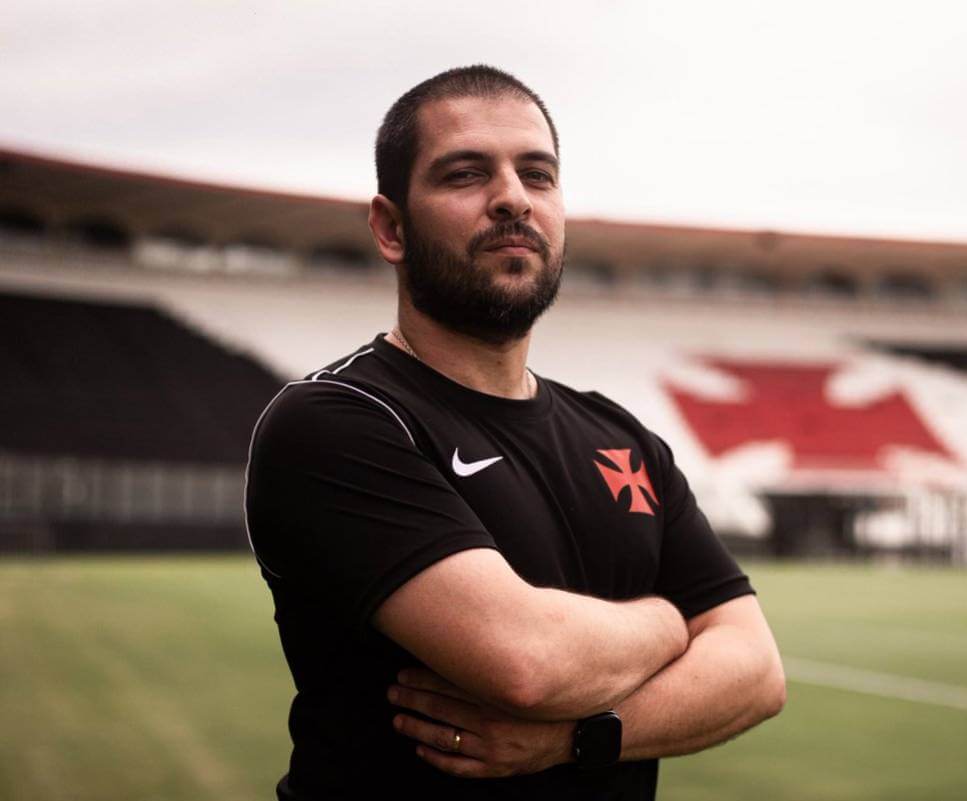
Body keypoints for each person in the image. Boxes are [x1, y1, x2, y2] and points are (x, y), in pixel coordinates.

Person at [244, 64, 786, 801]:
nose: (512, 198)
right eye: (466, 174)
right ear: (391, 227)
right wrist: (669, 621)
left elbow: (756, 671)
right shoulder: (336, 420)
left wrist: (577, 738)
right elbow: (527, 662)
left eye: (538, 174)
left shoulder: (623, 437)